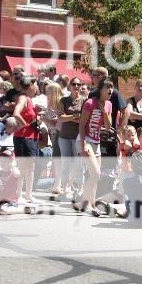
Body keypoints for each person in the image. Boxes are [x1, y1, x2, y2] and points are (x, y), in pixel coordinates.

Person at [77, 79, 114, 216]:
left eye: (112, 88)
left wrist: (104, 112)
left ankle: (91, 205)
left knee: (95, 176)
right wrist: (83, 144)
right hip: (85, 140)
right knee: (96, 173)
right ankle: (86, 204)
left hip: (96, 142)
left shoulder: (109, 104)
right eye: (107, 87)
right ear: (100, 89)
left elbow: (108, 126)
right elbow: (81, 124)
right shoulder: (90, 103)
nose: (110, 90)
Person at [12, 75, 41, 204]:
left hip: (31, 137)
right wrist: (24, 124)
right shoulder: (23, 98)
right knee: (23, 167)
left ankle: (28, 194)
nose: (37, 87)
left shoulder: (29, 99)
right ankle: (19, 194)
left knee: (30, 167)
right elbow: (16, 113)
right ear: (31, 85)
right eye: (36, 84)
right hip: (23, 138)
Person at [55, 77, 85, 197]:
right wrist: (74, 117)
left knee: (79, 164)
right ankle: (64, 188)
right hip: (64, 136)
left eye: (79, 84)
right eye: (74, 84)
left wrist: (69, 117)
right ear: (70, 86)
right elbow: (60, 118)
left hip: (78, 136)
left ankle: (80, 188)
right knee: (65, 164)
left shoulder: (84, 101)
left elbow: (84, 120)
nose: (76, 86)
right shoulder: (64, 100)